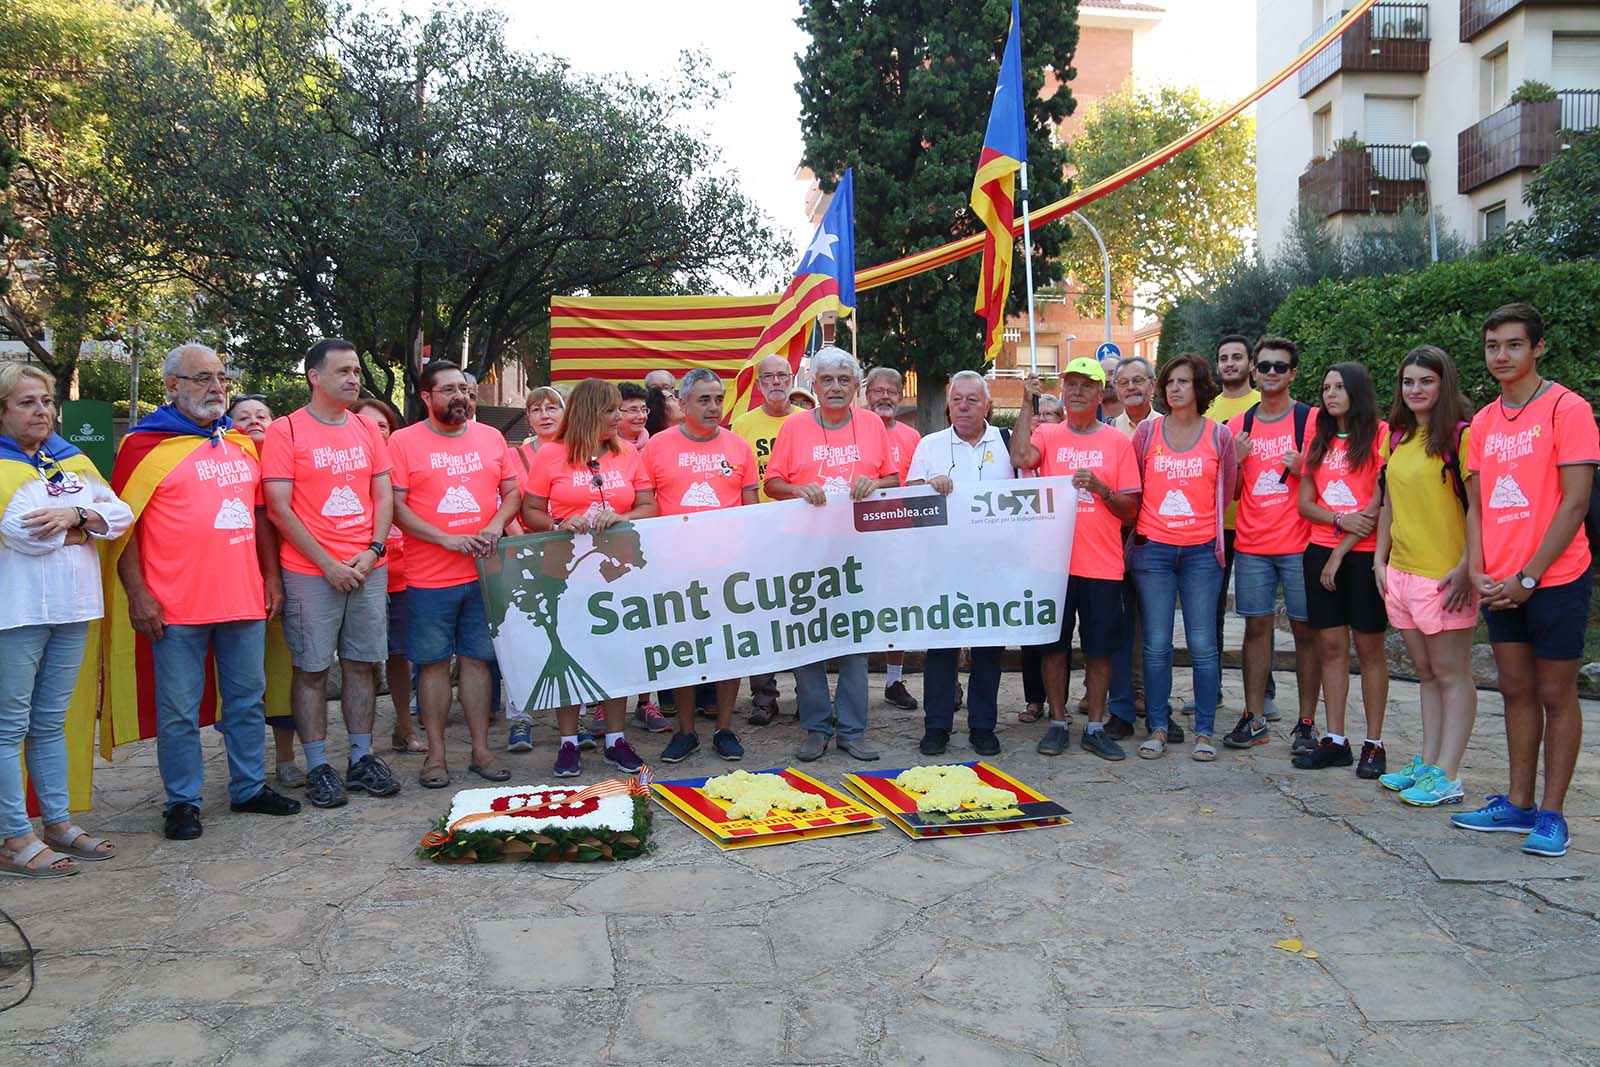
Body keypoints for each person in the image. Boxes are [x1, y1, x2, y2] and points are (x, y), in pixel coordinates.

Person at [117, 344, 301, 840]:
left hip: (242, 597)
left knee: (247, 700)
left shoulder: (241, 443)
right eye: (203, 378)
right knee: (178, 709)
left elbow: (262, 516)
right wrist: (137, 594)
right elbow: (123, 528)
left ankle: (248, 788)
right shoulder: (143, 446)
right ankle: (182, 801)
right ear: (172, 385)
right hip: (174, 605)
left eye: (221, 377)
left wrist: (271, 576)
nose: (217, 387)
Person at [1453, 303, 1598, 858]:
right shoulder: (1484, 423)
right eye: (1493, 346)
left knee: (1555, 693)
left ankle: (1554, 813)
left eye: (1514, 345)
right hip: (1499, 581)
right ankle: (1518, 803)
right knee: (1514, 690)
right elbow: (1476, 505)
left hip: (1555, 576)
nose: (1502, 356)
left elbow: (1576, 501)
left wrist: (1530, 576)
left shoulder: (1568, 409)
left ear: (1538, 348)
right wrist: (1478, 566)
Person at [0, 365, 131, 876]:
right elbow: (22, 534)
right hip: (17, 611)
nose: (43, 411)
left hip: (74, 605)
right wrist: (85, 522)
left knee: (49, 722)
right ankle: (13, 835)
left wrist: (77, 518)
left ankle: (55, 822)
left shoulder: (69, 459)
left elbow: (119, 512)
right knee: (8, 728)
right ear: (3, 411)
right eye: (27, 402)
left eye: (47, 400)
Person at [262, 338, 401, 808]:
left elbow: (383, 496)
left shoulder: (365, 428)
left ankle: (361, 759)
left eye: (357, 370)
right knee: (313, 669)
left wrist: (372, 551)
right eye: (342, 371)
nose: (353, 378)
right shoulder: (287, 431)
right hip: (310, 571)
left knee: (363, 665)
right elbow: (279, 508)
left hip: (367, 566)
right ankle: (319, 763)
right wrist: (326, 564)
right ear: (313, 377)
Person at [389, 362, 521, 788]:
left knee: (479, 662)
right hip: (429, 578)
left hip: (483, 573)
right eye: (448, 390)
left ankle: (481, 751)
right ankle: (437, 757)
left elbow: (512, 492)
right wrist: (444, 539)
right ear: (426, 397)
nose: (460, 397)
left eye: (464, 389)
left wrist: (496, 524)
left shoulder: (492, 437)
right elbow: (396, 506)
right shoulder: (403, 442)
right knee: (431, 666)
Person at [765, 346, 899, 762]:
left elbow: (894, 477)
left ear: (856, 386)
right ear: (814, 386)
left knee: (855, 645)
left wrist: (874, 484)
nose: (836, 387)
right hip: (807, 553)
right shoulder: (795, 428)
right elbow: (771, 484)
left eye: (844, 380)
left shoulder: (874, 424)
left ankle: (853, 731)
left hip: (860, 553)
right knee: (810, 645)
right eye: (828, 380)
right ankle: (815, 727)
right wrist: (796, 489)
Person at [520, 379, 652, 778]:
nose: (619, 418)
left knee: (617, 652)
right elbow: (530, 511)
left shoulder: (627, 453)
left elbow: (650, 503)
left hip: (618, 572)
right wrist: (561, 522)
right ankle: (567, 742)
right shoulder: (551, 455)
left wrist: (624, 517)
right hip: (565, 572)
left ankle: (615, 739)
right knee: (568, 653)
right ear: (588, 413)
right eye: (610, 411)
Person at [1012, 361, 1140, 760]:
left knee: (1100, 650)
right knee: (1054, 647)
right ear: (1063, 392)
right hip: (1054, 563)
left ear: (1102, 394)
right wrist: (1024, 401)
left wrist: (1103, 490)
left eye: (1088, 385)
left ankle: (1096, 725)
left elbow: (1131, 510)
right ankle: (1057, 721)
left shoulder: (1118, 443)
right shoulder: (1048, 432)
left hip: (1102, 564)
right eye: (1071, 385)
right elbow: (1020, 454)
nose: (1078, 392)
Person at [1372, 347, 1479, 806]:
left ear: (1444, 385)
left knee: (1453, 674)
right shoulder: (1395, 439)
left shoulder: (1463, 437)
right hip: (1402, 574)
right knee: (1426, 674)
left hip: (1446, 577)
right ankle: (1429, 762)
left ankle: (1449, 773)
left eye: (1426, 382)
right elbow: (1388, 504)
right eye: (1408, 382)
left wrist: (1467, 568)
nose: (1415, 390)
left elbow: (1479, 510)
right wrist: (1380, 561)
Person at [642, 368, 758, 763]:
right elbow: (644, 504)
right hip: (674, 571)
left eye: (718, 399)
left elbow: (753, 512)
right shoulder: (656, 446)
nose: (713, 407)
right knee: (682, 652)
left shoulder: (738, 447)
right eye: (704, 399)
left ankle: (725, 728)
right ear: (684, 402)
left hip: (728, 570)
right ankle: (685, 731)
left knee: (729, 649)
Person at [1128, 353, 1238, 760]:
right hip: (1153, 550)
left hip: (1202, 553)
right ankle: (1157, 727)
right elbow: (1134, 486)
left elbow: (1226, 490)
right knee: (1156, 644)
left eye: (1184, 381)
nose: (1175, 388)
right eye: (1170, 381)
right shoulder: (1147, 433)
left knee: (1202, 643)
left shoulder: (1218, 436)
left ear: (1200, 387)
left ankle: (1205, 732)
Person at [1222, 337, 1323, 755]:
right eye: (1264, 367)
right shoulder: (1237, 426)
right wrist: (1240, 461)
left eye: (1280, 367)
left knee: (1305, 632)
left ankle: (1306, 722)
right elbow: (1232, 493)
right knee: (1255, 629)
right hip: (1252, 543)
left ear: (1293, 373)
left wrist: (1307, 468)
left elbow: (1333, 480)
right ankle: (1254, 716)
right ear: (1254, 372)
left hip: (1301, 543)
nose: (1270, 374)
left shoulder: (1312, 419)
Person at [909, 371, 1017, 756]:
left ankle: (982, 725)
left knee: (989, 648)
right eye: (958, 399)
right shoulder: (930, 445)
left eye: (973, 399)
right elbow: (907, 501)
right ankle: (936, 725)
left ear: (988, 405)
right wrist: (928, 487)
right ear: (949, 405)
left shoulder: (1008, 445)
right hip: (944, 564)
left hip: (995, 565)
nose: (964, 406)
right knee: (941, 647)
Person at [1294, 362, 1390, 777]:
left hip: (1363, 557)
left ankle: (1374, 742)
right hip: (1319, 550)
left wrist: (1341, 547)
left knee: (1369, 649)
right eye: (1325, 387)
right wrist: (1336, 522)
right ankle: (1335, 739)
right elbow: (1306, 504)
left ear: (1357, 390)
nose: (1330, 394)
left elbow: (1378, 503)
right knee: (1331, 647)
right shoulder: (1319, 440)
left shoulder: (1383, 435)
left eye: (1338, 387)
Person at [229, 393, 310, 786]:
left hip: (289, 574)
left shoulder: (291, 458)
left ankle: (285, 756)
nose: (254, 421)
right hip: (233, 582)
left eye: (262, 414)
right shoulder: (223, 461)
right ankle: (241, 764)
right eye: (243, 416)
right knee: (235, 678)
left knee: (282, 672)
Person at [1205, 334, 1277, 721]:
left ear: (1251, 364)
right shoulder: (1211, 408)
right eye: (1223, 358)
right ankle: (1209, 687)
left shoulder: (1262, 406)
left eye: (1237, 357)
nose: (1229, 363)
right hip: (1215, 525)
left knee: (1258, 615)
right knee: (1209, 611)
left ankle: (1265, 692)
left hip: (1255, 526)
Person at [348, 397, 425, 758]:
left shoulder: (403, 461)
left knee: (400, 655)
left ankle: (403, 726)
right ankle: (361, 737)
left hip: (405, 575)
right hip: (361, 573)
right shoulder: (343, 468)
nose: (374, 431)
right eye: (364, 424)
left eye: (381, 425)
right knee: (359, 659)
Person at [501, 387, 567, 750]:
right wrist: (520, 543)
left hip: (566, 552)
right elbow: (508, 501)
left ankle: (576, 719)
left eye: (552, 407)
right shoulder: (515, 456)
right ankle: (520, 717)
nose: (545, 415)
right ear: (528, 417)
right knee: (522, 637)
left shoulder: (576, 452)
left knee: (570, 634)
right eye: (536, 409)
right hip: (523, 552)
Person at [731, 354, 795, 725]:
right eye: (767, 377)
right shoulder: (742, 425)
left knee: (802, 615)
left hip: (801, 531)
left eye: (781, 375)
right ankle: (763, 696)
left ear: (791, 379)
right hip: (758, 532)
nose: (775, 382)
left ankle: (809, 694)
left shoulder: (807, 421)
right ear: (758, 384)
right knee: (761, 617)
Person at [865, 366, 922, 712]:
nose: (884, 397)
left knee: (895, 610)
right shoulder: (852, 430)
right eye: (878, 390)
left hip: (899, 534)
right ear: (866, 394)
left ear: (900, 398)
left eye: (891, 391)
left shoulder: (913, 438)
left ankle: (893, 680)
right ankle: (846, 687)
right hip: (856, 535)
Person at [1019, 393, 1064, 724]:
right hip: (1024, 552)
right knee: (1030, 632)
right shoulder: (1018, 455)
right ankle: (1034, 699)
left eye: (1050, 414)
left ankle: (1060, 701)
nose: (1042, 419)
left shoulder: (1063, 454)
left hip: (1061, 551)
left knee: (1061, 634)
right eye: (1038, 414)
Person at [1111, 357, 1157, 436]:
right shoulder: (1110, 430)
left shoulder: (1167, 427)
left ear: (1152, 385)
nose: (1131, 387)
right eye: (1123, 382)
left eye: (1138, 380)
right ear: (1116, 389)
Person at [618, 382, 651, 450]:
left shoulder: (654, 446)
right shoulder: (602, 448)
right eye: (633, 410)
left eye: (644, 409)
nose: (641, 416)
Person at [1098, 356, 1123, 424]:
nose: (1106, 379)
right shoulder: (1086, 421)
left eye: (1112, 374)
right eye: (1101, 375)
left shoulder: (1139, 420)